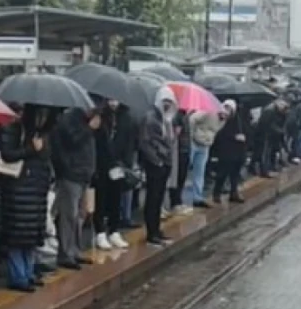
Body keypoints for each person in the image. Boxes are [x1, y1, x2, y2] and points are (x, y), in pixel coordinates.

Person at [0, 105, 54, 290]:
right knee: (18, 234)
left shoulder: (44, 134)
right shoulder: (15, 129)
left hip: (36, 189)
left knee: (31, 234)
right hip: (18, 188)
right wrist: (30, 149)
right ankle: (18, 276)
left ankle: (28, 272)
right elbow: (7, 154)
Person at [51, 107, 99, 270]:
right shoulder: (69, 120)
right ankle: (65, 253)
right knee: (68, 215)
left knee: (80, 214)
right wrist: (89, 129)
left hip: (84, 174)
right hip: (71, 174)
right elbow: (73, 141)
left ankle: (75, 250)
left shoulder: (88, 122)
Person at [93, 99, 135, 250]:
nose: (113, 103)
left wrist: (126, 163)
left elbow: (129, 141)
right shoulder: (100, 116)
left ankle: (114, 230)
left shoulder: (125, 117)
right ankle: (100, 232)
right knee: (101, 198)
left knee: (116, 198)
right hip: (102, 164)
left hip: (119, 164)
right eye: (110, 100)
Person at [140, 87, 177, 246]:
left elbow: (168, 140)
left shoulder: (165, 119)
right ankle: (151, 232)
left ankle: (156, 229)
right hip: (156, 164)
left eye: (170, 101)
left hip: (164, 163)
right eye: (165, 101)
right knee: (153, 198)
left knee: (159, 198)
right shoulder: (151, 118)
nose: (167, 104)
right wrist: (157, 161)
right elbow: (146, 143)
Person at [211, 100, 246, 204]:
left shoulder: (237, 120)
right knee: (222, 173)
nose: (227, 111)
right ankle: (216, 193)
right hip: (225, 150)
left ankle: (234, 192)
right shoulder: (220, 118)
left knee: (234, 174)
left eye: (229, 109)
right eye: (225, 108)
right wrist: (234, 137)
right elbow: (219, 134)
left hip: (237, 151)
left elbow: (244, 131)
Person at [186, 107, 221, 208]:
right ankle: (177, 200)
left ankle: (197, 198)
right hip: (194, 142)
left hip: (205, 145)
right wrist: (191, 135)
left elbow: (214, 131)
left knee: (200, 172)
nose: (226, 113)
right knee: (185, 169)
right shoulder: (208, 111)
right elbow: (192, 119)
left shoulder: (223, 121)